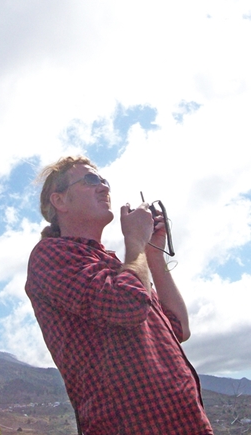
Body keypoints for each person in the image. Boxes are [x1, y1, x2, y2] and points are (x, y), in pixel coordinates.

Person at [25, 155, 214, 435]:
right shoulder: (52, 256)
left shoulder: (122, 268)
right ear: (60, 201)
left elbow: (179, 327)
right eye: (90, 180)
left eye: (104, 181)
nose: (104, 188)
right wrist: (135, 241)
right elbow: (128, 306)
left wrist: (152, 255)